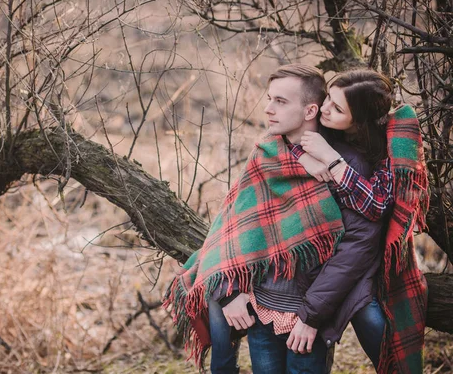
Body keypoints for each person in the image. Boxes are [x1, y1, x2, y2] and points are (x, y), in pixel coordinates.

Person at [163, 66, 428, 374]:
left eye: (281, 101)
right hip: (263, 306)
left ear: (310, 110)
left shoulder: (352, 162)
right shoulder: (267, 153)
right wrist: (230, 291)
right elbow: (230, 231)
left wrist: (311, 316)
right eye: (269, 99)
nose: (268, 108)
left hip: (308, 311)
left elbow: (362, 236)